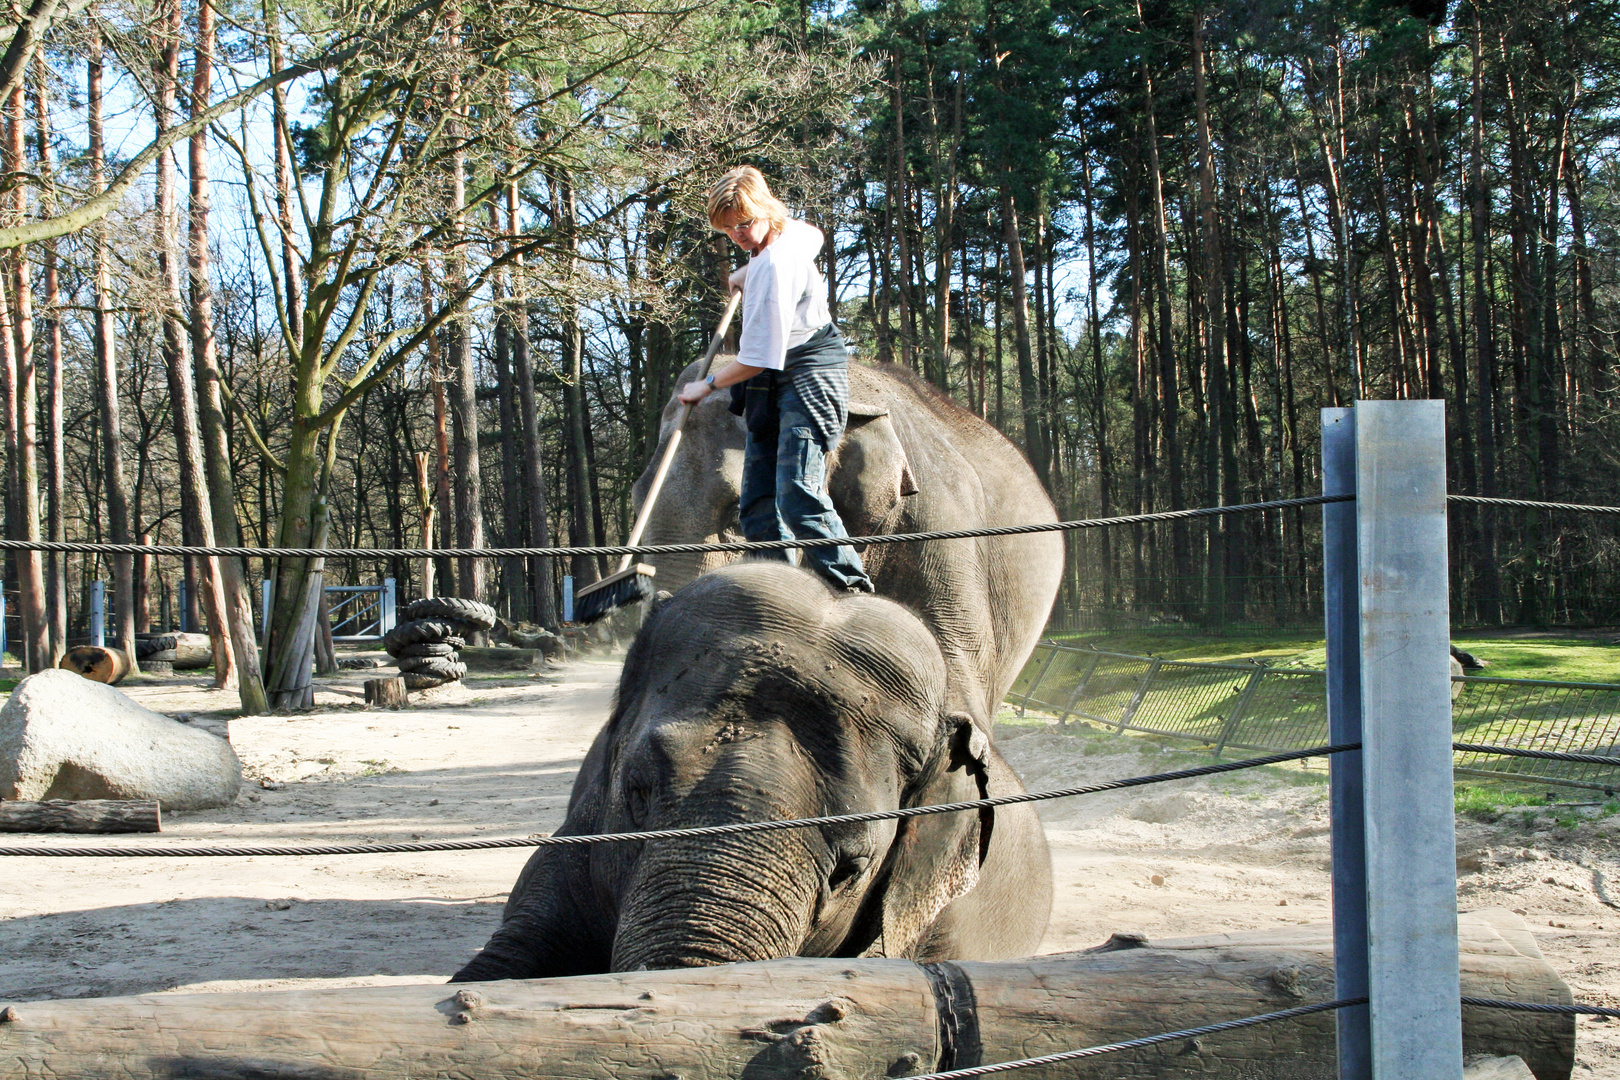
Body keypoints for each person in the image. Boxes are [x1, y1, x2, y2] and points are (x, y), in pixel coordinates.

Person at [676, 167, 874, 593]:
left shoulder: (777, 266)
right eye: (729, 229)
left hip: (809, 373)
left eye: (745, 224)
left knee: (798, 495)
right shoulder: (787, 236)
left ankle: (851, 588)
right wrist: (749, 268)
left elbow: (758, 358)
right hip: (774, 378)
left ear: (766, 209)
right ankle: (780, 596)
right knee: (758, 506)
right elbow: (813, 234)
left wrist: (706, 385)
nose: (739, 235)